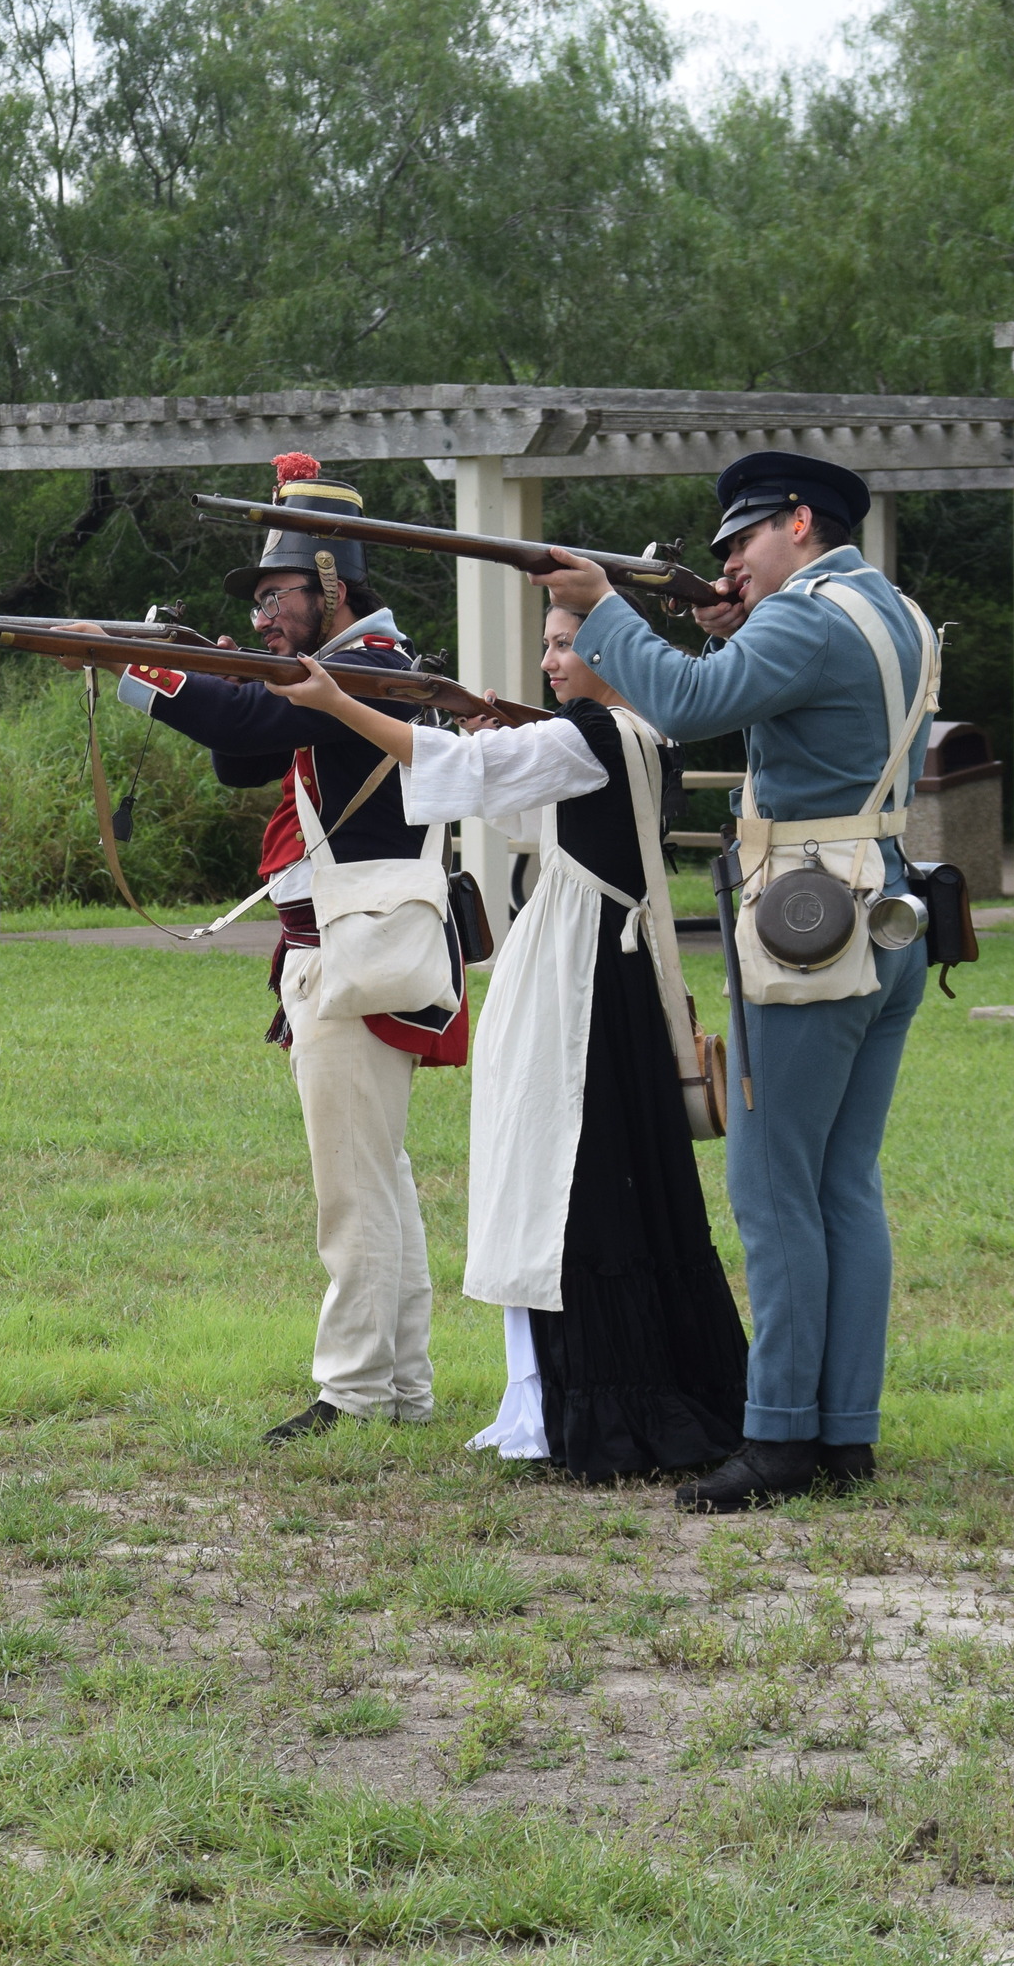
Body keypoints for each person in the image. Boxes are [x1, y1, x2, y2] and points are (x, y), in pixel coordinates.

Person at [534, 452, 933, 1511]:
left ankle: (778, 1436)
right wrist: (725, 626)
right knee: (843, 1184)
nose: (731, 565)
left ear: (798, 521)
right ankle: (843, 1431)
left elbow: (689, 702)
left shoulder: (804, 617)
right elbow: (773, 695)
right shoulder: (890, 608)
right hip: (884, 909)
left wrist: (601, 607)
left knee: (770, 1188)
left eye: (742, 543)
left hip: (810, 920)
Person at [266, 609, 746, 1479]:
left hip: (583, 971)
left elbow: (463, 770)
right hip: (595, 964)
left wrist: (340, 703)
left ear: (614, 652)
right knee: (579, 1178)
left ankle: (597, 1402)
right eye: (551, 641)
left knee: (571, 1179)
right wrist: (493, 734)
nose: (550, 658)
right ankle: (580, 1392)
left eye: (568, 643)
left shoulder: (597, 731)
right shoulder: (633, 732)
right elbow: (530, 814)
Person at [114, 454, 469, 1445]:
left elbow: (251, 720)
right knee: (380, 1183)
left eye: (277, 597)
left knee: (354, 1194)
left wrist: (135, 666)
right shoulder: (359, 668)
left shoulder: (369, 670)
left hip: (355, 960)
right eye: (261, 600)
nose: (268, 615)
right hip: (340, 953)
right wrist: (222, 668)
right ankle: (401, 1386)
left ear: (329, 589)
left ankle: (354, 1391)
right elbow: (246, 755)